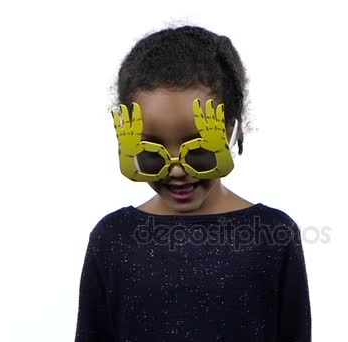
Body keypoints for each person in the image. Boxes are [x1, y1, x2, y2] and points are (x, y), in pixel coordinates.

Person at [74, 25, 312, 341]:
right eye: (153, 150)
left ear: (228, 130)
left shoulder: (272, 236)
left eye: (196, 148)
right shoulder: (113, 238)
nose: (176, 170)